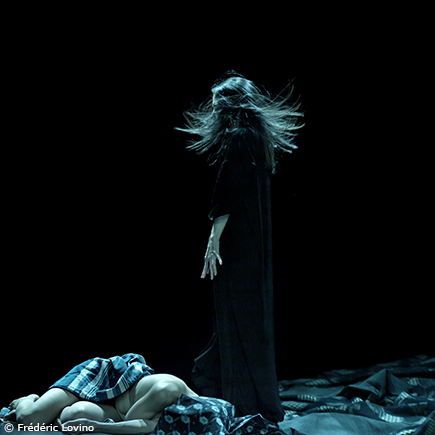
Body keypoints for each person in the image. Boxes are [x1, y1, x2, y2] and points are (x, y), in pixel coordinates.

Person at [176, 71, 303, 423]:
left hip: (238, 244)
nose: (213, 106)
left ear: (230, 104)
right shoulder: (255, 137)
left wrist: (213, 239)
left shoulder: (240, 138)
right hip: (250, 243)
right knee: (245, 317)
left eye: (217, 100)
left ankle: (243, 399)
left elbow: (228, 190)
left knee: (236, 315)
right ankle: (243, 393)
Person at [4, 354, 197, 434]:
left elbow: (147, 425)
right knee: (29, 419)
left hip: (118, 410)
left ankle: (53, 411)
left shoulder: (190, 419)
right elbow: (136, 421)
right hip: (107, 380)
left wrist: (93, 425)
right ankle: (27, 400)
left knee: (75, 416)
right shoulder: (169, 390)